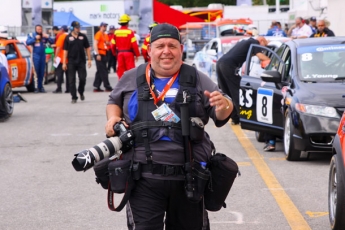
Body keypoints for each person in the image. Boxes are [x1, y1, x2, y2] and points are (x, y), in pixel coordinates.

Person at [105, 23, 233, 230]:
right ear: (149, 50)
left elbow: (221, 114)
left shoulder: (197, 78)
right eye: (160, 45)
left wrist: (225, 104)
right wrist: (113, 118)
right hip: (143, 178)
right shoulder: (131, 77)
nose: (166, 51)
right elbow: (113, 102)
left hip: (189, 178)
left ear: (180, 49)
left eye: (172, 46)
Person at [216, 36, 270, 125]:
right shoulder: (255, 42)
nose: (263, 49)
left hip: (220, 63)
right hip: (228, 66)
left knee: (227, 92)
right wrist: (273, 62)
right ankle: (243, 118)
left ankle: (235, 118)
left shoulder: (245, 42)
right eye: (264, 46)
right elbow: (261, 57)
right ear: (261, 40)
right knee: (237, 92)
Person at [63, 21, 92, 104]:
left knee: (82, 78)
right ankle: (74, 97)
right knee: (71, 80)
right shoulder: (68, 38)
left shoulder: (83, 37)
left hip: (81, 61)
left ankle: (81, 91)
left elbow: (87, 48)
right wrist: (64, 63)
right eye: (76, 27)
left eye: (79, 27)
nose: (78, 29)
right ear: (72, 28)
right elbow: (65, 51)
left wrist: (89, 59)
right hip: (71, 62)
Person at [110, 14, 140, 79]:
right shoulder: (130, 32)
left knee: (121, 71)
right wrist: (137, 55)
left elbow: (112, 45)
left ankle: (121, 85)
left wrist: (115, 53)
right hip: (129, 54)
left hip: (120, 54)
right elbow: (134, 45)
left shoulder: (116, 32)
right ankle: (131, 86)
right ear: (127, 23)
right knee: (131, 70)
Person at [26, 25, 54, 93]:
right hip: (36, 55)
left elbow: (52, 41)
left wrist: (48, 37)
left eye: (40, 29)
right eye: (38, 29)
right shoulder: (32, 35)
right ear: (36, 29)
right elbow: (28, 42)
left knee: (42, 72)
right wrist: (35, 38)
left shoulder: (44, 36)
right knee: (37, 71)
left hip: (43, 55)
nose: (39, 30)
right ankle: (37, 86)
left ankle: (40, 87)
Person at [93, 22, 113, 92]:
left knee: (100, 70)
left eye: (106, 26)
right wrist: (97, 54)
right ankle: (107, 86)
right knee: (103, 71)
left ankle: (96, 86)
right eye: (104, 26)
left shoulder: (105, 35)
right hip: (100, 53)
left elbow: (107, 42)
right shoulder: (98, 34)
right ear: (100, 26)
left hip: (105, 53)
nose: (105, 27)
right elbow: (95, 44)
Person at [53, 25, 69, 94]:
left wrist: (55, 57)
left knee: (59, 74)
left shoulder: (61, 36)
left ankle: (59, 88)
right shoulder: (70, 36)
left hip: (60, 58)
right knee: (68, 75)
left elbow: (58, 47)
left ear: (62, 30)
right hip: (68, 59)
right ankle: (69, 88)